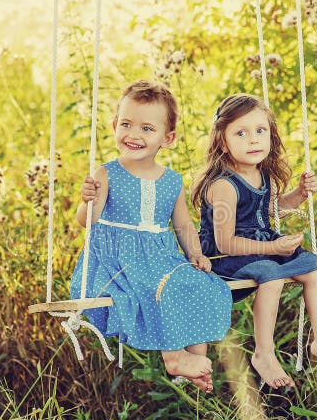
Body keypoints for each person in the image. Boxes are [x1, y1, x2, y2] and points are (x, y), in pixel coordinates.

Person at [70, 80, 232, 393]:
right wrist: (86, 201)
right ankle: (173, 357)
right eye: (127, 124)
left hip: (161, 255)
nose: (134, 135)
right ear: (115, 125)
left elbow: (184, 225)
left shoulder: (172, 181)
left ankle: (194, 361)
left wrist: (196, 254)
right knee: (156, 287)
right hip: (119, 257)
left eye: (147, 128)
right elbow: (86, 221)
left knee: (201, 283)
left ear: (167, 138)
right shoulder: (106, 173)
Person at [192, 93, 317, 389]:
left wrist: (300, 195)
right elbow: (225, 242)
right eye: (241, 133)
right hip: (225, 258)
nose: (253, 140)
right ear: (222, 142)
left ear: (270, 134)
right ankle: (263, 354)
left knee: (312, 266)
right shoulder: (223, 186)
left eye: (260, 131)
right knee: (272, 275)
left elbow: (269, 209)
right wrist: (272, 248)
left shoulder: (260, 173)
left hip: (260, 248)